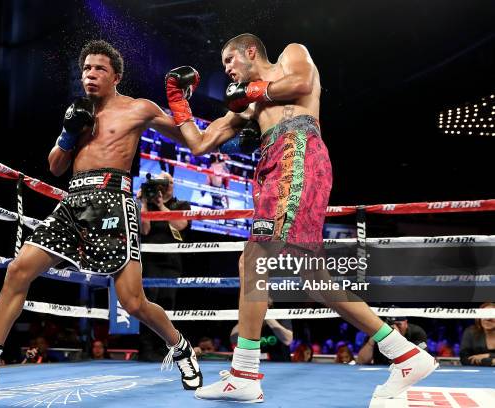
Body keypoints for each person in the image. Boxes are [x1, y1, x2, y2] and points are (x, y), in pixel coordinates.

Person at [165, 33, 437, 402]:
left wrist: (253, 92)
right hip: (273, 167)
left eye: (229, 59)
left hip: (297, 153)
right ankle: (405, 354)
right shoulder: (245, 104)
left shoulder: (289, 56)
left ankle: (244, 372)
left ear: (250, 52)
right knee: (315, 281)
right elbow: (199, 143)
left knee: (254, 260)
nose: (226, 68)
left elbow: (302, 82)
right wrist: (178, 102)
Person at [0, 40, 201, 393]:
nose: (90, 75)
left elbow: (191, 140)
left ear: (116, 76)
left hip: (112, 202)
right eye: (86, 69)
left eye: (99, 69)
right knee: (18, 269)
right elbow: (55, 166)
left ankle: (181, 348)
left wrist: (180, 101)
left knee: (133, 302)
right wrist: (69, 132)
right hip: (74, 200)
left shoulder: (139, 108)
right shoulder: (77, 111)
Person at [138, 172, 191, 361]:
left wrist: (161, 205)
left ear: (173, 185)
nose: (164, 185)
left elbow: (180, 225)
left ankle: (164, 348)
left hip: (171, 262)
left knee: (168, 305)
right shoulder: (148, 205)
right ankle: (145, 349)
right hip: (151, 261)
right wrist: (144, 202)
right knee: (148, 304)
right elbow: (144, 229)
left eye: (167, 182)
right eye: (160, 182)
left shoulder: (181, 205)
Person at [356, 316, 428, 365]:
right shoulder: (380, 332)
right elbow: (361, 361)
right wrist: (374, 338)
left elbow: (418, 361)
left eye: (398, 324)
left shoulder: (416, 333)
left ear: (406, 323)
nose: (394, 328)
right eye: (390, 326)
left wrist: (396, 338)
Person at [460, 302, 495, 366]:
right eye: (485, 315)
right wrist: (491, 361)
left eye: (492, 315)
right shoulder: (470, 332)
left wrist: (488, 355)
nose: (487, 319)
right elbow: (464, 359)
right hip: (477, 374)